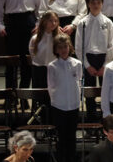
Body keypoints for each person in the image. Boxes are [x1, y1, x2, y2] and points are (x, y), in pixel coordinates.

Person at [76, 0, 113, 121]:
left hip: (104, 59)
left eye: (98, 2)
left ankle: (106, 121)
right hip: (88, 59)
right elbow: (78, 47)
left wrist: (105, 65)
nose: (96, 5)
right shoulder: (82, 23)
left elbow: (110, 46)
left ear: (102, 4)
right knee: (89, 94)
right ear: (88, 4)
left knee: (106, 92)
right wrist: (87, 65)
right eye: (93, 3)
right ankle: (91, 121)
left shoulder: (108, 23)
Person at [47, 34, 81, 162]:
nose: (63, 50)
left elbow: (78, 81)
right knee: (61, 137)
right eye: (60, 47)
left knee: (71, 136)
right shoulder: (52, 66)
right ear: (56, 49)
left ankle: (71, 159)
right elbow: (51, 86)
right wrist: (56, 102)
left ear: (70, 47)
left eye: (65, 47)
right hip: (59, 106)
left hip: (73, 105)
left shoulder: (77, 64)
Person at [28, 11, 59, 88]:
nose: (54, 23)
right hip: (38, 68)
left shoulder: (58, 38)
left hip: (53, 68)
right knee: (39, 91)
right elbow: (31, 52)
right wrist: (37, 61)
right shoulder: (35, 38)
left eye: (55, 21)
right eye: (51, 21)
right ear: (44, 21)